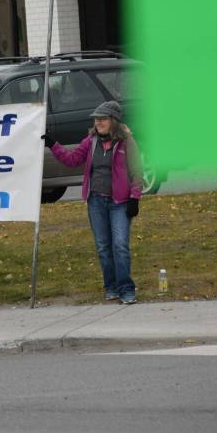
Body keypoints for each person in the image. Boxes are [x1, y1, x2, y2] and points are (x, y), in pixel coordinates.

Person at [43, 100, 143, 304]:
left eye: (102, 119)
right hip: (96, 201)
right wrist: (53, 144)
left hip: (120, 203)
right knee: (103, 247)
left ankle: (126, 289)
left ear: (113, 121)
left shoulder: (127, 142)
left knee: (120, 245)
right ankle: (111, 287)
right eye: (96, 119)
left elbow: (137, 171)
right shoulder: (91, 141)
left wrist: (135, 198)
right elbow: (72, 160)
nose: (98, 122)